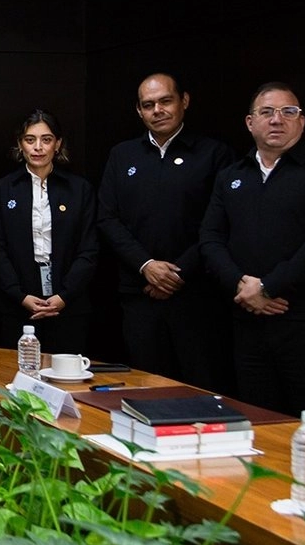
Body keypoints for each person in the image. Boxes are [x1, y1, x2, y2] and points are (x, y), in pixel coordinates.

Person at [200, 82, 305, 415]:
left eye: (289, 112)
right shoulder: (231, 175)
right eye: (266, 112)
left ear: (301, 121)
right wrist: (243, 286)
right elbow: (210, 239)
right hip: (248, 323)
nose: (277, 120)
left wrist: (269, 287)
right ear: (249, 122)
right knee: (258, 423)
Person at [97, 73, 233, 389]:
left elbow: (218, 224)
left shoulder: (214, 154)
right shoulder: (122, 155)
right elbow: (107, 219)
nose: (157, 110)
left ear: (184, 101)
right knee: (144, 389)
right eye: (148, 105)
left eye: (165, 101)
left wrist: (177, 273)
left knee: (200, 388)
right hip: (139, 295)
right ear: (139, 111)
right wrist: (147, 267)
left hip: (196, 298)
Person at [0, 110, 98, 355]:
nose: (38, 147)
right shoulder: (2, 190)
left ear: (58, 144)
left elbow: (89, 249)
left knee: (66, 381)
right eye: (30, 139)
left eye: (46, 140)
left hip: (69, 304)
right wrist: (19, 295)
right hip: (17, 304)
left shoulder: (79, 189)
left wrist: (64, 296)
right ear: (20, 144)